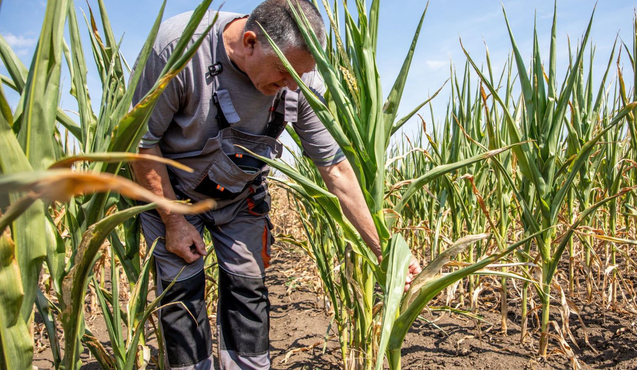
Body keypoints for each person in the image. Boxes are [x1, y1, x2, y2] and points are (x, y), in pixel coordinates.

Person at [130, 1, 421, 369]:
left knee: (248, 288)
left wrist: (384, 250)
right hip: (172, 193)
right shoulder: (180, 49)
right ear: (250, 42)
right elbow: (142, 143)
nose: (290, 85)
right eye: (284, 74)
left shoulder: (301, 80)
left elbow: (336, 170)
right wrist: (173, 220)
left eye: (300, 77)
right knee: (182, 295)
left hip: (241, 195)